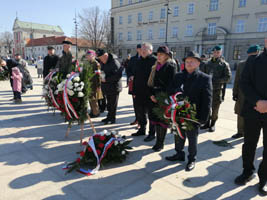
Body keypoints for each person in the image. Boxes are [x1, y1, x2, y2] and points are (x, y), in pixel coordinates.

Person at [165, 51, 212, 171]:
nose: (189, 63)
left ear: (198, 63)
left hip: (193, 115)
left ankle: (192, 159)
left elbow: (207, 100)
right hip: (178, 112)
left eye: (192, 61)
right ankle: (179, 154)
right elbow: (170, 89)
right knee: (178, 135)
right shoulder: (178, 76)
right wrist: (177, 94)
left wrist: (203, 118)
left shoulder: (204, 78)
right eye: (187, 61)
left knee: (192, 138)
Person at [234, 39, 267, 196]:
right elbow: (244, 83)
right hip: (253, 110)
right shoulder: (253, 60)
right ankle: (247, 171)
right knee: (249, 144)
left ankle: (264, 178)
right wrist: (257, 101)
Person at [147, 46, 176, 151]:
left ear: (166, 56)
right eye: (158, 54)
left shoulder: (170, 66)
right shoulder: (155, 66)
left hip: (163, 98)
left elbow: (171, 85)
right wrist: (151, 94)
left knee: (162, 121)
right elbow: (150, 83)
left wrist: (160, 98)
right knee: (155, 120)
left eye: (161, 55)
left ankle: (160, 143)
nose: (158, 56)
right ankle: (157, 141)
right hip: (154, 97)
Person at [232, 45, 261, 139]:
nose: (251, 56)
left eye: (253, 54)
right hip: (242, 95)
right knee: (240, 113)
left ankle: (249, 134)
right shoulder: (241, 64)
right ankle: (240, 132)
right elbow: (237, 80)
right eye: (250, 55)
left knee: (253, 116)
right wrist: (235, 93)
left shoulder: (262, 64)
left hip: (257, 96)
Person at [200, 45, 231, 132]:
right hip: (207, 89)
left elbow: (228, 78)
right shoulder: (207, 63)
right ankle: (206, 123)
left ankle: (213, 124)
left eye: (218, 52)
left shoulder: (224, 64)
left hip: (217, 90)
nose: (216, 54)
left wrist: (216, 80)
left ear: (220, 53)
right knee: (207, 107)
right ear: (212, 53)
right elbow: (202, 74)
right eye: (214, 52)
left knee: (215, 108)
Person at [131, 42, 157, 141]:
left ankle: (151, 133)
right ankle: (142, 129)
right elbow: (135, 77)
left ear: (150, 51)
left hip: (150, 92)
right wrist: (133, 91)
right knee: (140, 112)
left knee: (151, 114)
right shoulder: (138, 61)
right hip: (138, 92)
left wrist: (154, 93)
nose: (142, 51)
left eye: (145, 49)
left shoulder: (155, 61)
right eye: (141, 49)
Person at [96, 49, 122, 124]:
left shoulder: (114, 62)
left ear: (105, 55)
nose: (100, 60)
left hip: (114, 87)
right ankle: (109, 117)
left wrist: (106, 79)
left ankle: (112, 118)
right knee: (109, 104)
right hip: (106, 86)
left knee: (113, 104)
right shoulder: (103, 61)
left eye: (101, 58)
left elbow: (118, 76)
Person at [127, 44, 142, 127]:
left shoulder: (146, 59)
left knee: (141, 105)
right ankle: (137, 119)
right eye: (139, 49)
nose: (141, 50)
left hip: (142, 85)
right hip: (133, 84)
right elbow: (128, 69)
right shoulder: (133, 59)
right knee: (135, 103)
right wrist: (130, 75)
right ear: (137, 49)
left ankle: (141, 121)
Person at [85, 50, 103, 118]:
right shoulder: (88, 63)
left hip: (94, 84)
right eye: (87, 55)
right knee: (90, 98)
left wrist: (98, 85)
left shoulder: (96, 64)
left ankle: (96, 113)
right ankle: (92, 111)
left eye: (88, 55)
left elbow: (98, 75)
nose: (87, 56)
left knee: (93, 99)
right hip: (89, 83)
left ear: (93, 56)